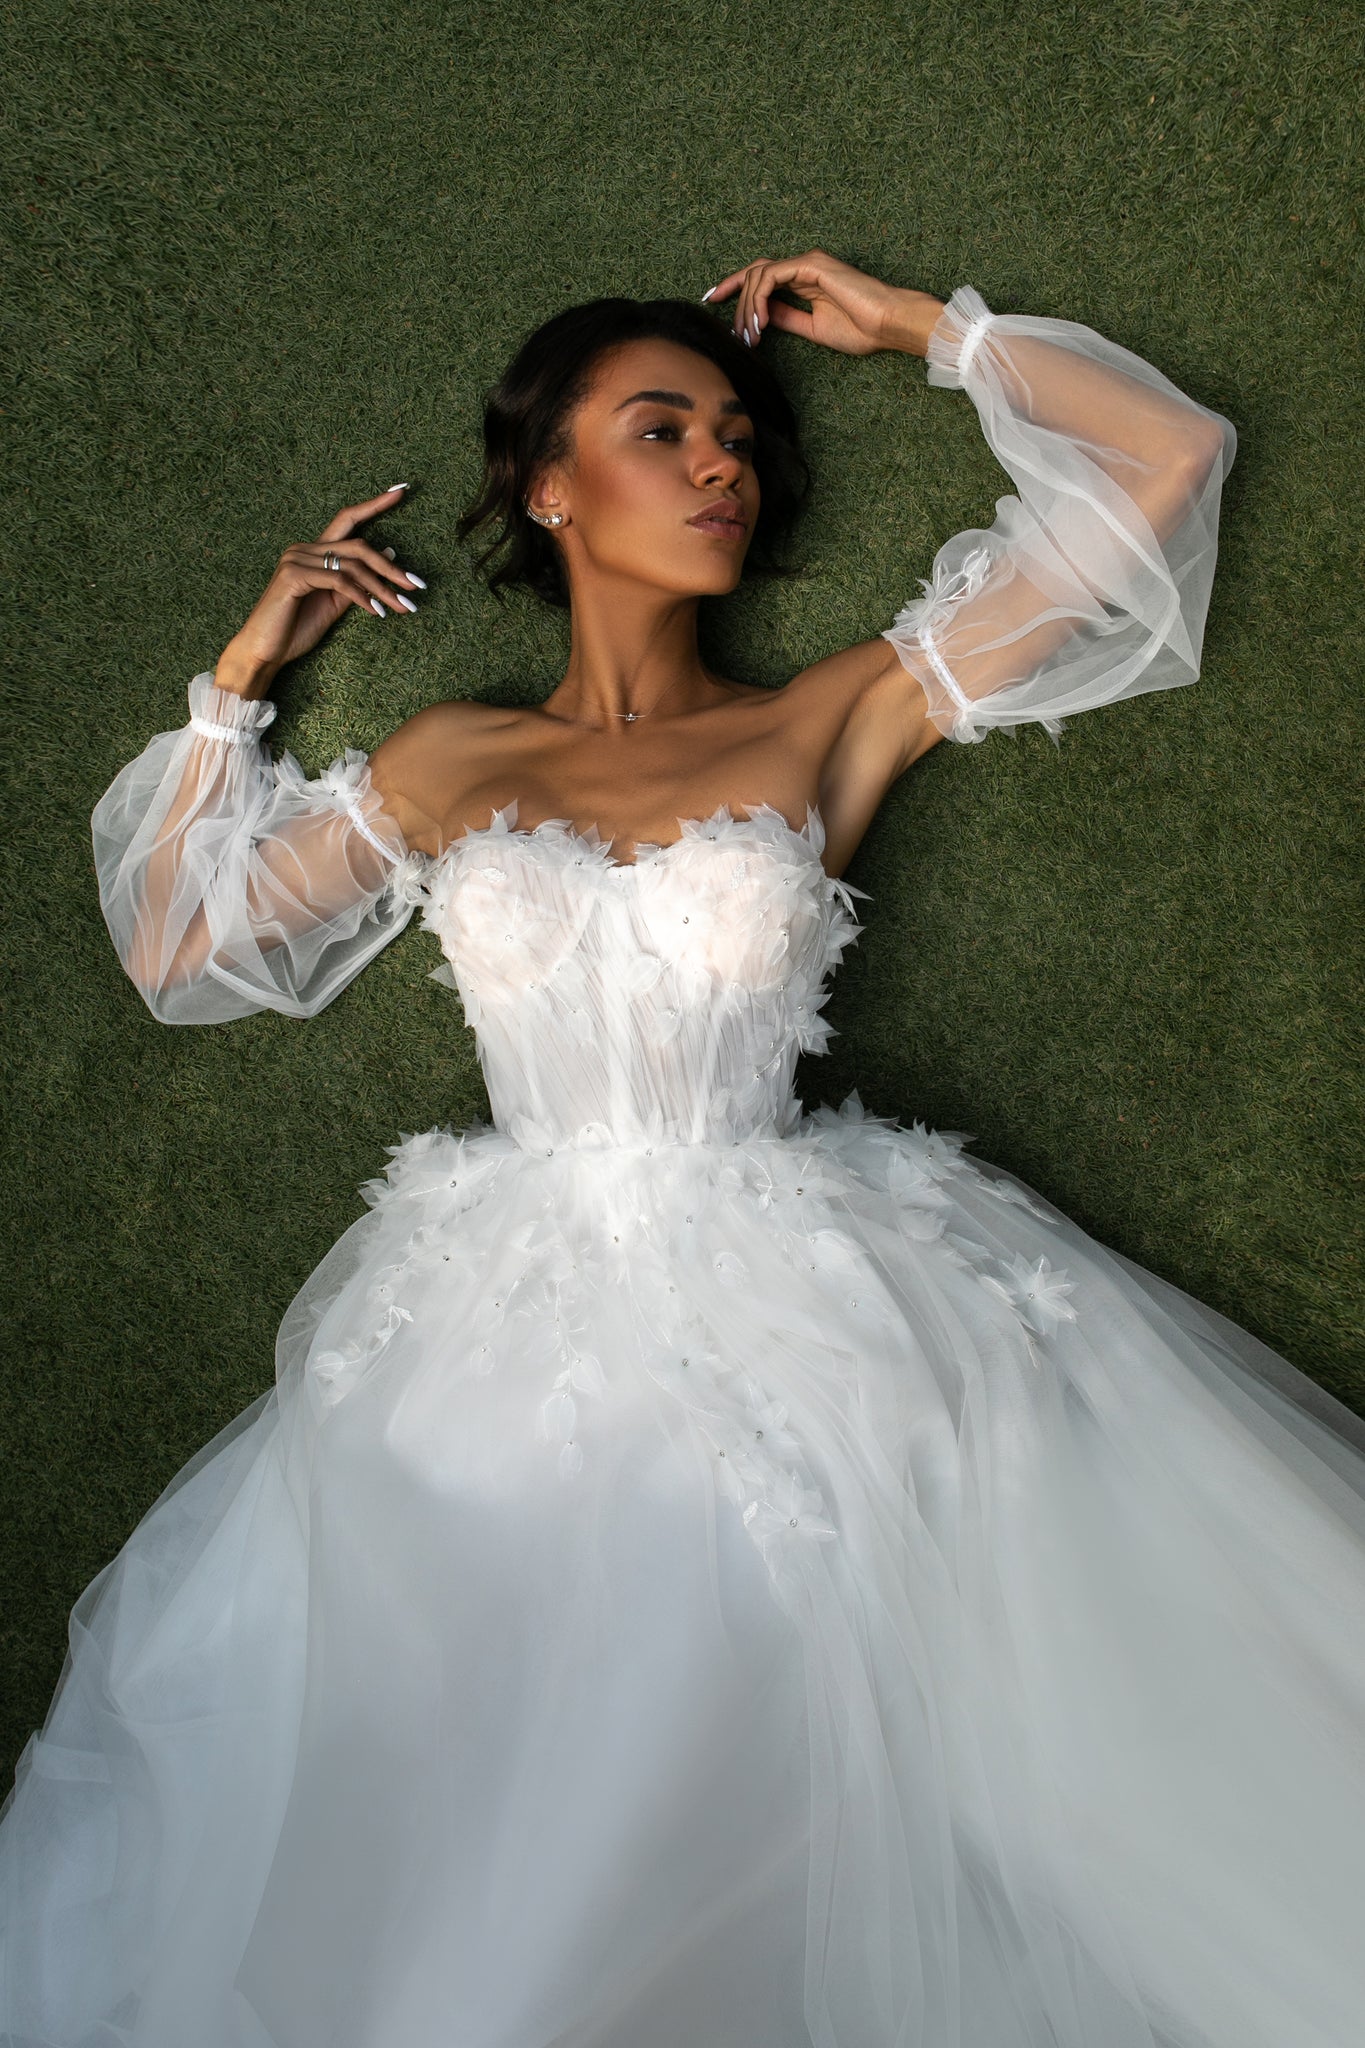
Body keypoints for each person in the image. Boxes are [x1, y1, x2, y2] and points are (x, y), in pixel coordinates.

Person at [3, 249, 1364, 2048]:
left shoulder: (827, 714)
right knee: (489, 1786)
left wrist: (920, 329)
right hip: (493, 1331)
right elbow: (181, 944)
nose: (724, 461)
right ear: (547, 486)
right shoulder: (447, 756)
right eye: (662, 430)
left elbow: (1164, 466)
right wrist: (244, 671)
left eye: (735, 434)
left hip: (807, 1300)